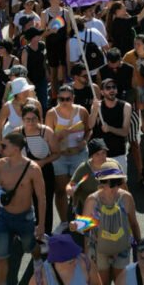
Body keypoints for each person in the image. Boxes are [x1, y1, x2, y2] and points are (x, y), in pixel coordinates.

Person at [0, 131, 45, 285]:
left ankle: (37, 258)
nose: (0, 148)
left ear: (15, 148)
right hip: (4, 216)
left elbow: (41, 198)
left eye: (4, 145)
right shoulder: (0, 164)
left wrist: (41, 224)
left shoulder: (33, 169)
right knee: (0, 256)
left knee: (30, 246)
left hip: (25, 218)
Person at [79, 162, 141, 285]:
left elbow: (134, 223)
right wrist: (87, 256)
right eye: (110, 183)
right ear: (102, 183)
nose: (114, 187)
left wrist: (139, 249)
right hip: (99, 249)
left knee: (121, 282)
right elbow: (85, 230)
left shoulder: (127, 198)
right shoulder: (91, 200)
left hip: (122, 247)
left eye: (118, 182)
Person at [47, 85, 93, 222]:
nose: (64, 102)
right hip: (59, 157)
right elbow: (47, 138)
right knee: (60, 190)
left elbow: (89, 129)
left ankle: (80, 217)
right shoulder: (51, 114)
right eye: (61, 99)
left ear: (73, 98)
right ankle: (64, 221)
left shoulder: (82, 111)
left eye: (68, 99)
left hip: (79, 155)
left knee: (80, 189)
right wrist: (60, 136)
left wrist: (84, 141)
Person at [11, 104, 58, 234]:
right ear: (22, 119)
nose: (31, 122)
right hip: (24, 173)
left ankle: (45, 233)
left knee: (45, 201)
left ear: (39, 119)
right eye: (27, 119)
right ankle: (28, 230)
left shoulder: (46, 132)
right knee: (25, 202)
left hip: (44, 171)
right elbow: (10, 154)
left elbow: (56, 153)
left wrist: (43, 162)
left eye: (34, 118)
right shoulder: (16, 133)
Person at [66, 138, 121, 217]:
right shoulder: (84, 168)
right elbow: (71, 184)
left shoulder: (113, 165)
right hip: (87, 209)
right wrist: (70, 189)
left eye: (103, 153)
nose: (101, 157)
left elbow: (122, 186)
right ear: (91, 156)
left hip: (108, 208)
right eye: (97, 154)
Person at [35, 233, 101, 285]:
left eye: (75, 257)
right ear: (57, 262)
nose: (76, 263)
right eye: (70, 262)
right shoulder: (41, 277)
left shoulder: (85, 262)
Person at [0, 77, 37, 143]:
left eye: (26, 89)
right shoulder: (7, 106)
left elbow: (40, 122)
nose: (26, 92)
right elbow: (0, 124)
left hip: (31, 137)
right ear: (16, 94)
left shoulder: (36, 103)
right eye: (22, 91)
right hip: (12, 139)